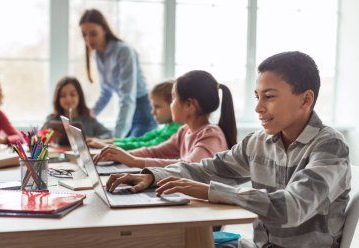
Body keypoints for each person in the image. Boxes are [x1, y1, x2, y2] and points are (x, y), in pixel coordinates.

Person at [105, 52, 351, 248]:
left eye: (269, 97)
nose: (258, 108)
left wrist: (211, 191)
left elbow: (292, 207)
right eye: (257, 97)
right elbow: (207, 170)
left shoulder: (330, 146)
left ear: (306, 99)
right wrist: (152, 176)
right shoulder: (258, 142)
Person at [94, 70, 238, 168]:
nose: (171, 103)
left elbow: (187, 166)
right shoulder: (184, 131)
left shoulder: (211, 135)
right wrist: (121, 155)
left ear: (189, 105)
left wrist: (134, 161)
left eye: (174, 97)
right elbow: (154, 152)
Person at [79, 9, 157, 138]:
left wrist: (117, 137)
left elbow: (128, 97)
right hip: (128, 111)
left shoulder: (124, 51)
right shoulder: (98, 55)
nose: (88, 39)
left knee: (128, 152)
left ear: (104, 30)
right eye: (84, 34)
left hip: (143, 111)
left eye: (93, 34)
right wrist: (90, 114)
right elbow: (106, 92)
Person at [87, 80, 182, 150]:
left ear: (173, 104)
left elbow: (149, 145)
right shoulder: (167, 127)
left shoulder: (176, 129)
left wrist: (107, 146)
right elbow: (141, 139)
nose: (152, 112)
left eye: (157, 107)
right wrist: (106, 142)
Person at [43, 76, 112, 143]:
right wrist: (47, 137)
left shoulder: (89, 120)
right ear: (58, 99)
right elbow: (39, 138)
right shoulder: (51, 120)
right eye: (63, 95)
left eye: (72, 94)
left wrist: (94, 140)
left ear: (79, 96)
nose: (68, 99)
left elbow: (109, 134)